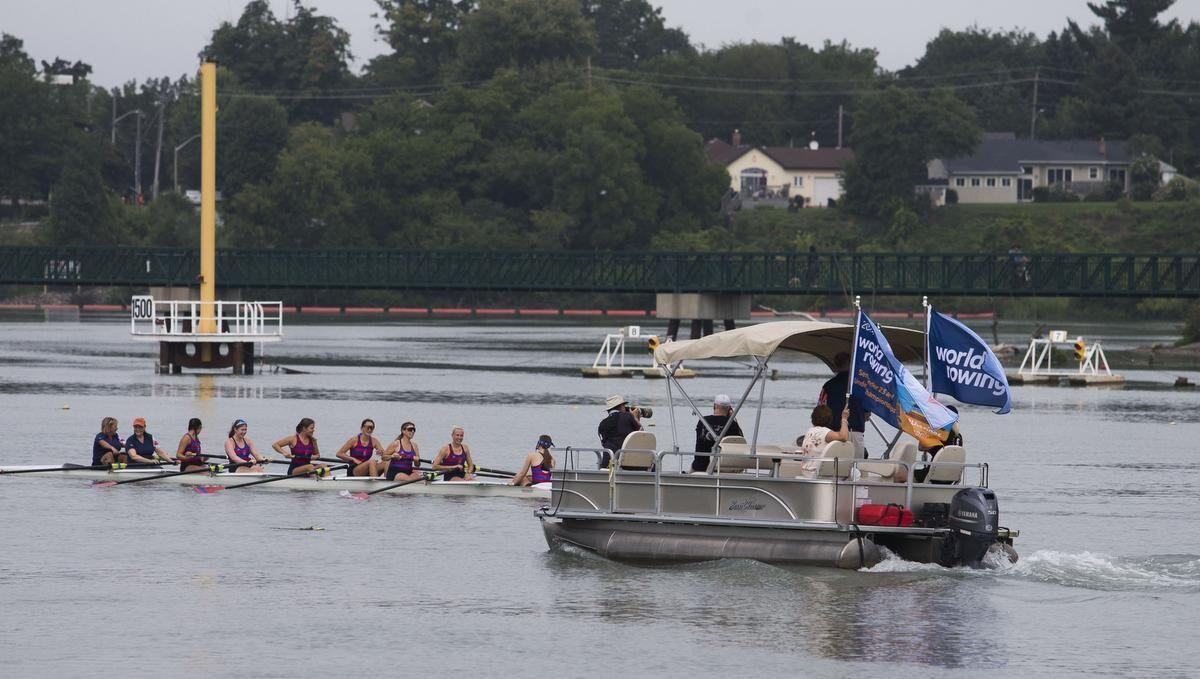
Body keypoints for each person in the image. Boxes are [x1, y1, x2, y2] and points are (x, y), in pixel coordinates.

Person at [819, 353, 867, 458]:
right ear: (851, 364)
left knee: (835, 470)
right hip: (855, 433)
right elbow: (867, 413)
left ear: (835, 366)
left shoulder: (828, 386)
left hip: (833, 434)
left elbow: (820, 411)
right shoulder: (861, 385)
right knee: (856, 468)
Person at [690, 394, 744, 473]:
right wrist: (731, 418)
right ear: (729, 408)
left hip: (701, 467)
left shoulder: (703, 421)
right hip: (726, 468)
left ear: (714, 406)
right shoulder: (733, 424)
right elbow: (741, 442)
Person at [795, 405, 850, 477]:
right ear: (829, 419)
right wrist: (844, 419)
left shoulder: (809, 431)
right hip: (817, 473)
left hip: (806, 471)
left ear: (813, 418)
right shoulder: (825, 433)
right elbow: (843, 437)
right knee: (855, 472)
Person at [914, 405, 963, 484]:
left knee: (905, 474)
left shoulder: (940, 434)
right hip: (951, 477)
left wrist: (925, 430)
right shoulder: (959, 437)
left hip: (934, 475)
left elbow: (921, 447)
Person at [597, 395, 642, 469]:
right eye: (624, 406)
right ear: (621, 406)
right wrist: (635, 418)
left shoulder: (602, 424)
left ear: (608, 410)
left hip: (608, 464)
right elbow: (641, 435)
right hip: (629, 465)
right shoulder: (628, 417)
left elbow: (604, 444)